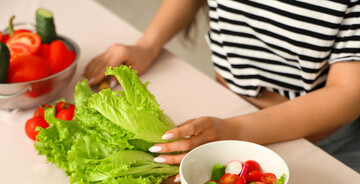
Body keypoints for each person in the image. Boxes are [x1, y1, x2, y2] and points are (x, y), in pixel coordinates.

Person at [84, 0, 360, 173]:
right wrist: (148, 44)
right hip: (223, 106)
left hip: (315, 140)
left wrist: (234, 130)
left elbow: (347, 93)